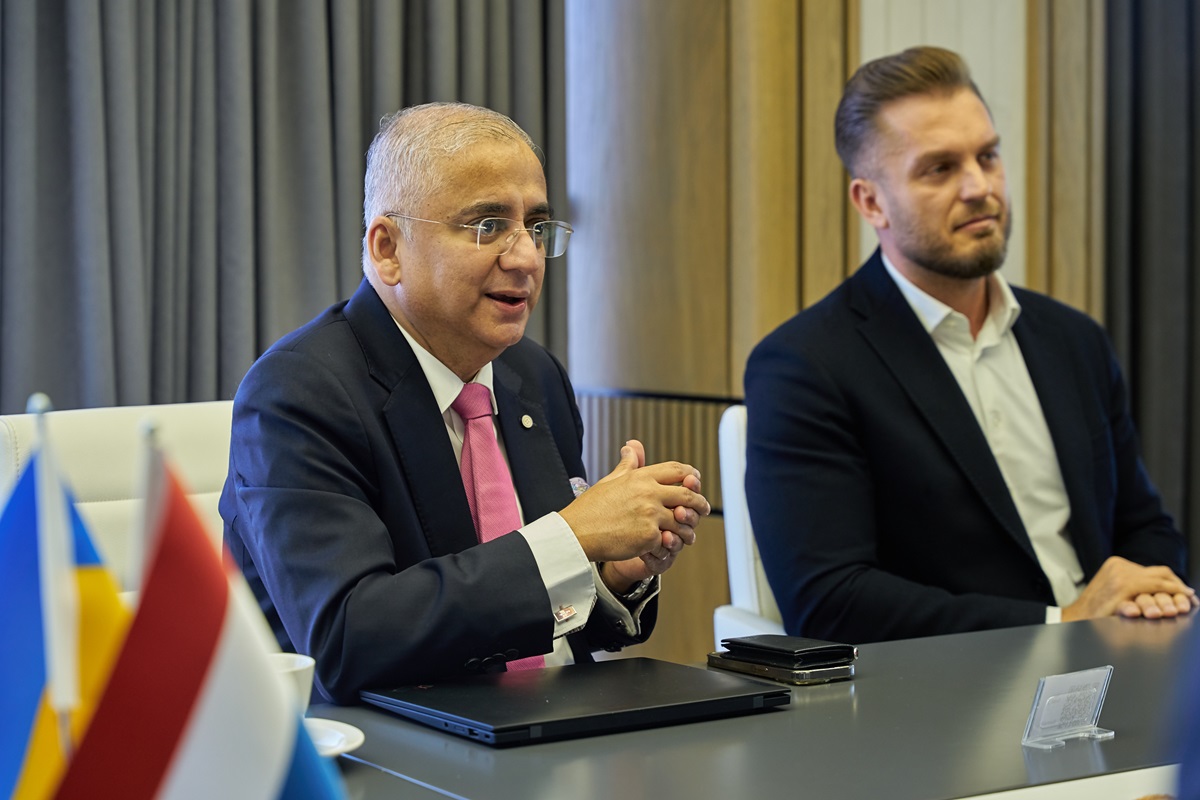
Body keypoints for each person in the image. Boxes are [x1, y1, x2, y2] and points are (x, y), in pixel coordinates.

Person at [220, 102, 711, 703]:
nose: (526, 258)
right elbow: (347, 640)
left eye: (536, 227)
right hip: (388, 742)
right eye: (487, 225)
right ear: (388, 249)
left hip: (543, 725)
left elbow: (541, 615)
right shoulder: (298, 392)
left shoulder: (533, 375)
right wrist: (572, 537)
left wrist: (610, 575)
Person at [744, 46, 1195, 644]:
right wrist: (1063, 624)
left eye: (987, 156)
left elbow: (1146, 527)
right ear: (871, 202)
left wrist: (1146, 591)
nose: (980, 187)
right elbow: (829, 601)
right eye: (939, 169)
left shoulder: (1074, 339)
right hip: (951, 690)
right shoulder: (805, 366)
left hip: (1119, 666)